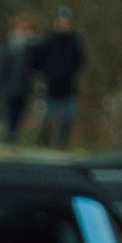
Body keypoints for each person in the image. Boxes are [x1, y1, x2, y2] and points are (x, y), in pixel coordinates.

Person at [32, 10, 85, 148]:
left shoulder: (75, 41)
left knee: (67, 116)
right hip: (51, 84)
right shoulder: (49, 40)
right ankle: (43, 141)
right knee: (48, 115)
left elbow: (80, 60)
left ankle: (62, 143)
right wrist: (46, 73)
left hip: (68, 85)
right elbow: (38, 59)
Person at [0, 14, 38, 145]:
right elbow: (0, 68)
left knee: (20, 114)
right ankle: (10, 137)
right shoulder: (8, 48)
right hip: (9, 87)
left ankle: (13, 136)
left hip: (25, 87)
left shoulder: (31, 48)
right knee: (11, 113)